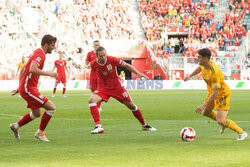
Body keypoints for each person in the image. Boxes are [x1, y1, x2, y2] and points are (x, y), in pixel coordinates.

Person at [88, 46, 156, 134]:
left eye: (104, 55)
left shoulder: (112, 59)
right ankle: (98, 126)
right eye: (101, 56)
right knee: (91, 100)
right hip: (103, 88)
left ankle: (144, 125)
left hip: (117, 87)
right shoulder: (93, 64)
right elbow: (94, 76)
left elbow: (127, 65)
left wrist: (139, 74)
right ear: (96, 56)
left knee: (132, 106)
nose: (103, 57)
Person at [184, 48, 247, 140]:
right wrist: (190, 76)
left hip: (222, 94)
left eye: (200, 57)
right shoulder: (204, 65)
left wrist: (203, 105)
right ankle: (223, 122)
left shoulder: (214, 72)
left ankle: (241, 132)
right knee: (206, 112)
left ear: (206, 58)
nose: (198, 59)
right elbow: (199, 68)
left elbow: (216, 92)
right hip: (212, 92)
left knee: (220, 120)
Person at [10, 34, 58, 142]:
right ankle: (40, 132)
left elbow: (23, 68)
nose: (53, 48)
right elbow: (32, 69)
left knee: (37, 113)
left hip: (27, 87)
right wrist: (50, 74)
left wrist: (20, 86)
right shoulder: (40, 54)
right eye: (52, 45)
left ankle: (15, 126)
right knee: (51, 107)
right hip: (29, 88)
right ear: (46, 45)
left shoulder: (37, 52)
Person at [85, 40, 102, 112]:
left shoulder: (102, 53)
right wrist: (90, 64)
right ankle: (96, 104)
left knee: (100, 91)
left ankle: (98, 107)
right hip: (92, 75)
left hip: (101, 75)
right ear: (93, 46)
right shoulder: (90, 53)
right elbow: (86, 64)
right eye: (96, 45)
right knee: (93, 91)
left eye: (98, 45)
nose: (97, 46)